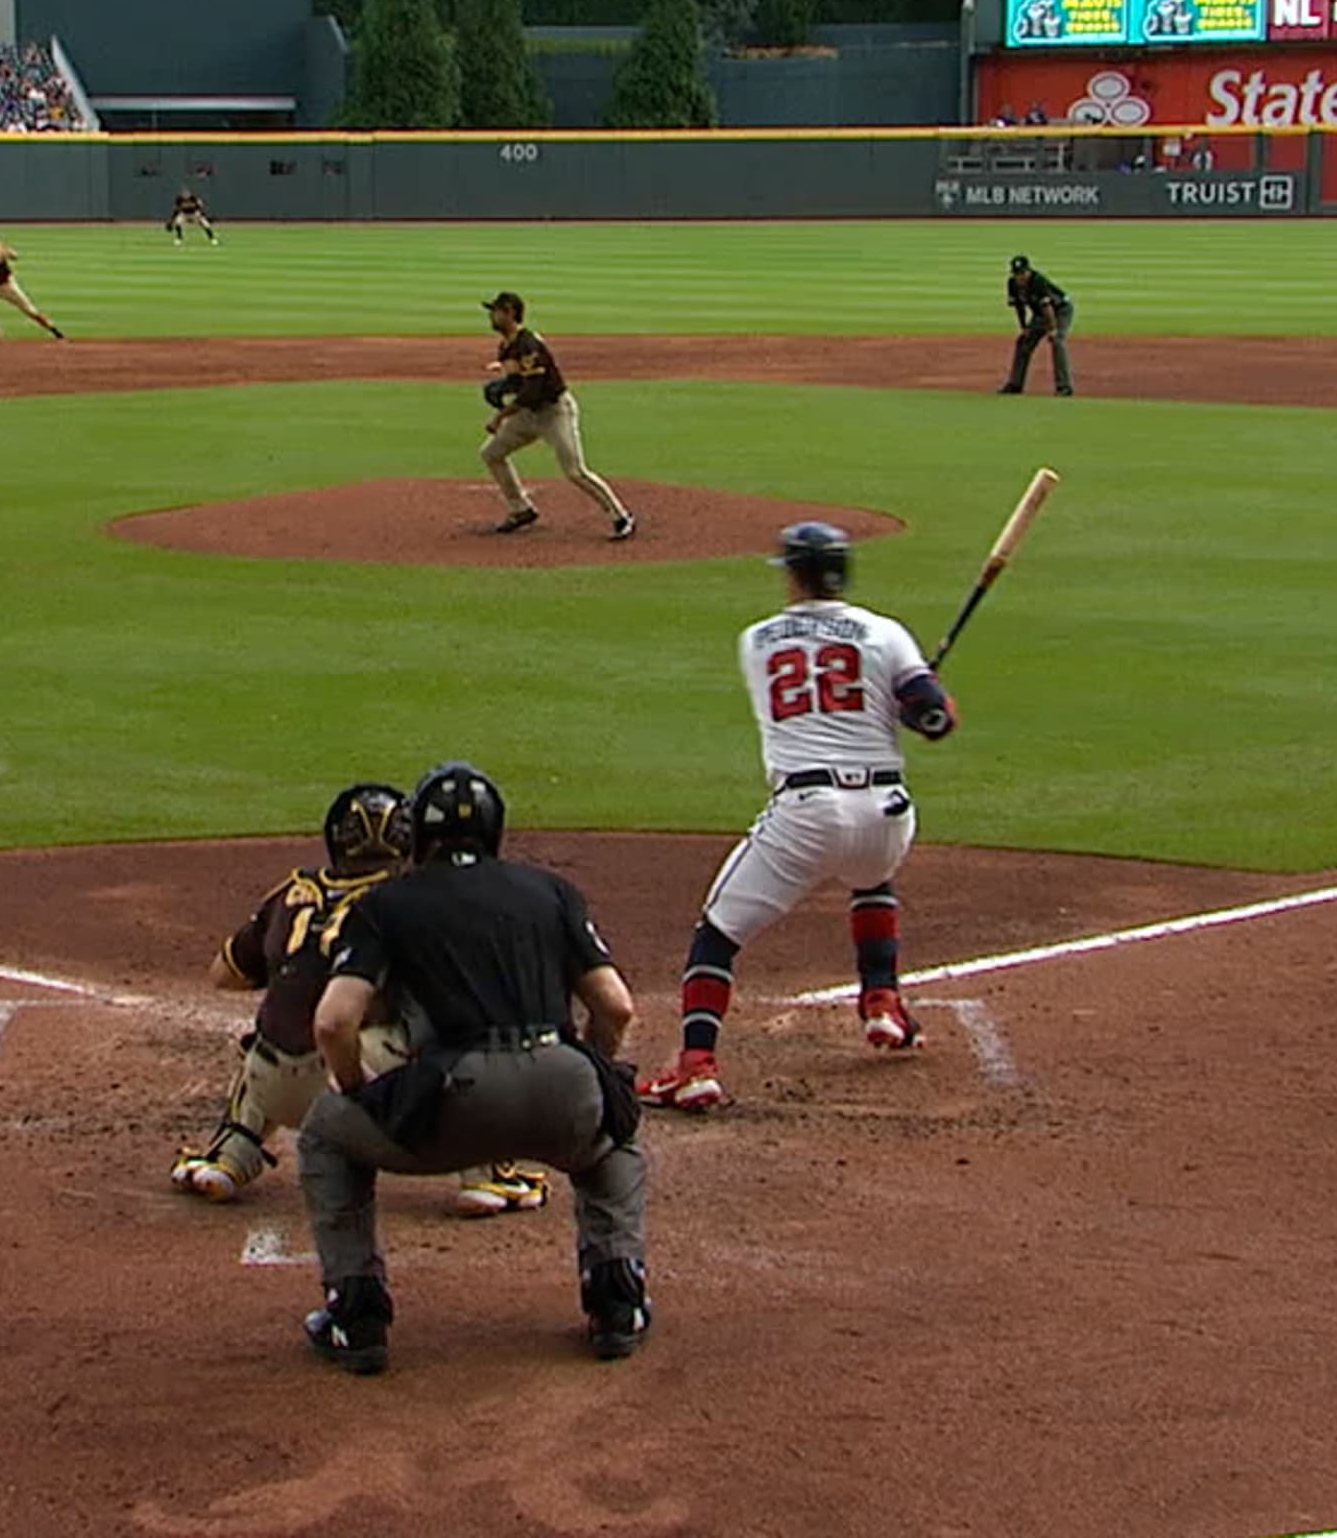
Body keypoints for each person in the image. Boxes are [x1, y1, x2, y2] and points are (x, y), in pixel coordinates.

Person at [296, 762, 651, 1374]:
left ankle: (357, 1314)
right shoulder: (552, 892)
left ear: (417, 839)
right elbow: (615, 1007)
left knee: (327, 1133)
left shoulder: (386, 904)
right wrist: (590, 1068)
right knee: (614, 1135)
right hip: (560, 1086)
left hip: (452, 1100)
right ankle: (617, 1298)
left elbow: (333, 1023)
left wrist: (359, 1092)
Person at [640, 522, 960, 1113]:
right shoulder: (885, 633)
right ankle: (882, 1001)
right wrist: (922, 705)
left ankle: (695, 1066)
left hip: (807, 812)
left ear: (794, 575)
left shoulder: (757, 640)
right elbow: (935, 719)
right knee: (871, 875)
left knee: (717, 934)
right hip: (888, 816)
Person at [170, 782, 552, 1219]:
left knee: (273, 1027)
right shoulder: (412, 899)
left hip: (270, 1085)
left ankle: (228, 1156)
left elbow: (224, 974)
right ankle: (485, 1173)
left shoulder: (292, 890)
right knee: (460, 1027)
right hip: (359, 1083)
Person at [478, 292, 636, 542]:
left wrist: (500, 416)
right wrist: (503, 385)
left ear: (509, 312)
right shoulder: (506, 347)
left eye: (495, 311)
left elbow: (533, 390)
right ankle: (521, 509)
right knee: (491, 454)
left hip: (554, 414)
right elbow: (520, 382)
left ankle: (621, 516)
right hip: (528, 416)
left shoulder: (528, 344)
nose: (491, 316)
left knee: (574, 471)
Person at [999, 254, 1074, 396]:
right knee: (1023, 342)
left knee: (1057, 341)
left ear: (1028, 271)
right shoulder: (1012, 284)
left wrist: (1052, 329)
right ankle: (1015, 384)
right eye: (1016, 274)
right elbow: (1019, 307)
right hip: (1040, 314)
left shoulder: (1038, 281)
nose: (1019, 277)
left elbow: (1048, 307)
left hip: (1060, 310)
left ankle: (1064, 387)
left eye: (1022, 273)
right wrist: (1024, 328)